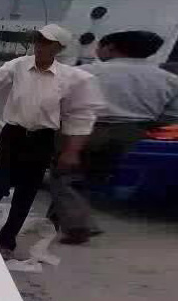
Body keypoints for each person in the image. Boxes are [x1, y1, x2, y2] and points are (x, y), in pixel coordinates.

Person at [0, 24, 104, 255]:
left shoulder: (70, 78)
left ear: (58, 48)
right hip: (13, 135)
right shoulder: (18, 65)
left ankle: (7, 241)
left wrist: (71, 150)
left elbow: (80, 116)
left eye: (46, 42)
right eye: (38, 40)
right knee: (0, 181)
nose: (40, 46)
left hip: (42, 140)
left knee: (26, 192)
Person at [50, 31, 178, 243]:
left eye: (99, 46)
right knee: (91, 177)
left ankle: (78, 225)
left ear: (110, 48)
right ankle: (61, 219)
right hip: (133, 133)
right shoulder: (169, 80)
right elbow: (171, 116)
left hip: (87, 129)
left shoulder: (85, 72)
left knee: (64, 175)